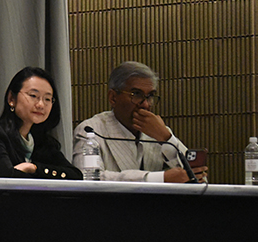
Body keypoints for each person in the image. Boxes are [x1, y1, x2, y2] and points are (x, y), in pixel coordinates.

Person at [72, 61, 207, 182]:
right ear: (113, 98)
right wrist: (159, 178)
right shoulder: (90, 130)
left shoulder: (158, 130)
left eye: (150, 96)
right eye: (136, 94)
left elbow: (198, 178)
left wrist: (167, 138)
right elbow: (88, 179)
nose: (145, 105)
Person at [0, 67, 81, 180]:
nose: (41, 104)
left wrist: (34, 168)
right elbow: (7, 177)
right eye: (33, 96)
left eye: (47, 99)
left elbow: (75, 175)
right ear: (11, 98)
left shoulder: (44, 143)